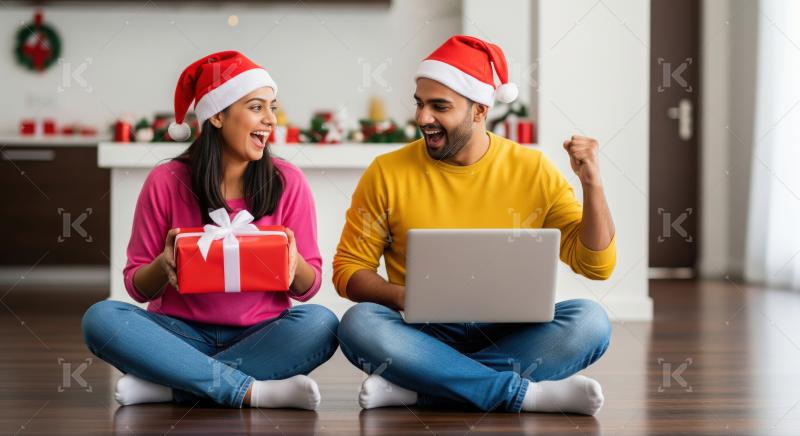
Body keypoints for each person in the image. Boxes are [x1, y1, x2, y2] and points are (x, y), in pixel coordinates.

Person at [333, 36, 615, 415]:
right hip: (422, 333)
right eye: (420, 104)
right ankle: (524, 394)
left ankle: (422, 388)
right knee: (359, 323)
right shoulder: (387, 172)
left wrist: (592, 185)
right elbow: (348, 271)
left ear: (479, 111)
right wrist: (405, 297)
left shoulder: (534, 170)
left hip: (512, 334)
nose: (422, 118)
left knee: (591, 322)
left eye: (439, 107)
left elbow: (596, 265)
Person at [82, 51, 338, 410]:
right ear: (217, 115)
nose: (270, 120)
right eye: (256, 107)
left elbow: (309, 288)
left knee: (321, 324)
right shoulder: (166, 180)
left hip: (261, 334)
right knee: (101, 319)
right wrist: (164, 264)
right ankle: (251, 390)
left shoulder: (288, 181)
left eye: (272, 108)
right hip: (179, 336)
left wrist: (292, 260)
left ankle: (172, 387)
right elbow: (136, 287)